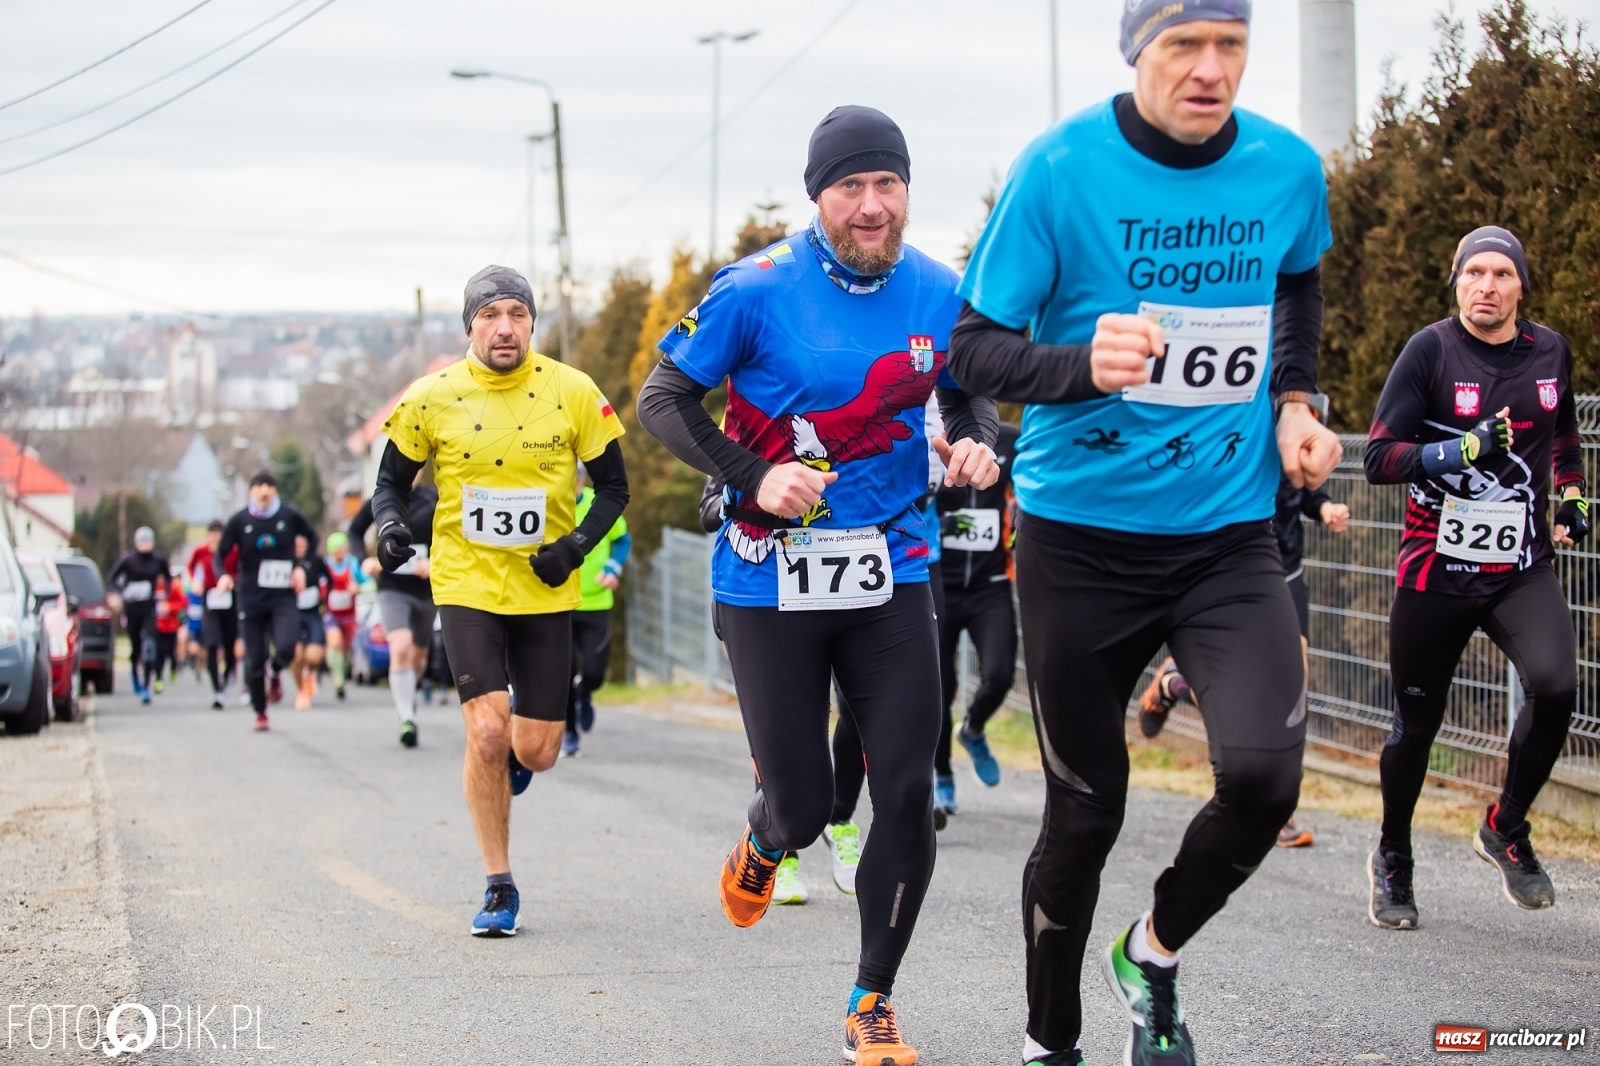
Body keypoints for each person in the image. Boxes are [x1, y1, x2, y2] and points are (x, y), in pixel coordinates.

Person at [947, 4, 1343, 1062]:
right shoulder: (1059, 171)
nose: (1210, 71)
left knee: (1262, 779)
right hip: (1080, 542)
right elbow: (974, 352)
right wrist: (1083, 366)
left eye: (1231, 47)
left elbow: (1297, 281)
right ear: (1136, 51)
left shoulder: (1287, 168)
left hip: (1225, 536)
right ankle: (1050, 1039)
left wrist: (1296, 401)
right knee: (1085, 810)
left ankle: (1152, 955)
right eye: (1183, 47)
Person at [639, 105, 999, 1066]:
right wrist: (752, 476)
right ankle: (765, 839)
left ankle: (872, 998)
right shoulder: (755, 289)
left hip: (893, 573)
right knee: (802, 809)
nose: (873, 207)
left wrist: (975, 442)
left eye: (889, 185)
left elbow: (967, 392)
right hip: (768, 579)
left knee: (907, 794)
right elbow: (660, 398)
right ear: (819, 197)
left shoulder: (938, 287)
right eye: (852, 187)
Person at [372, 264, 627, 937]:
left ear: (533, 323)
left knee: (536, 750)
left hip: (545, 588)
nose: (505, 327)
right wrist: (393, 527)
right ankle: (498, 886)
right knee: (486, 731)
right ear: (470, 325)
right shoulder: (432, 396)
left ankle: (516, 760)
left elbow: (614, 492)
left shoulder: (572, 392)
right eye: (490, 315)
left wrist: (573, 549)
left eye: (516, 313)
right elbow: (389, 486)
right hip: (466, 585)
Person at [1362, 225, 1586, 929]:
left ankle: (1505, 827)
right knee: (1414, 728)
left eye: (1500, 274)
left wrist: (1574, 497)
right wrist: (1460, 448)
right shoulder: (1430, 351)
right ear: (1455, 280)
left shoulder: (1550, 351)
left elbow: (1566, 433)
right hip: (1436, 570)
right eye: (1473, 274)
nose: (1485, 287)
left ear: (1522, 285)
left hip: (1519, 569)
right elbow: (1378, 457)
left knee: (1555, 688)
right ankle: (1393, 857)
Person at [1139, 473, 1353, 847]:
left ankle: (1278, 807)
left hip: (1284, 571)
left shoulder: (1289, 415)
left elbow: (1305, 484)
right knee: (1231, 692)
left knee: (1294, 687)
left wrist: (1325, 506)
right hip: (1225, 572)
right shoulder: (1221, 420)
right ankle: (1175, 684)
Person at [935, 420, 1020, 803]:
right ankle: (942, 777)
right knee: (940, 690)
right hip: (939, 584)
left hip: (991, 586)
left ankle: (973, 728)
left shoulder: (1011, 439)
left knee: (1000, 674)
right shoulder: (928, 434)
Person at [216, 470, 319, 732]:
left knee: (287, 647)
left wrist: (302, 568)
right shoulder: (239, 521)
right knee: (254, 659)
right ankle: (260, 713)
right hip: (250, 598)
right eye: (259, 486)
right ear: (251, 491)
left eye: (269, 486)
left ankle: (275, 670)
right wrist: (224, 577)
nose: (264, 491)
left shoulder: (289, 515)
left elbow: (313, 538)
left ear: (275, 490)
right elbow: (221, 555)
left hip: (283, 596)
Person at [350, 474, 437, 746]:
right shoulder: (382, 498)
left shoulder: (434, 499)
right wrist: (365, 560)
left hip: (427, 590)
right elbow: (354, 531)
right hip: (392, 587)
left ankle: (407, 693)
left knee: (418, 659)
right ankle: (406, 717)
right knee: (400, 648)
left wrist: (436, 562)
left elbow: (456, 536)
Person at [561, 466, 630, 758]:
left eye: (575, 478)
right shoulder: (549, 506)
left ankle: (586, 692)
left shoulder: (596, 503)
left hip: (596, 601)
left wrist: (613, 567)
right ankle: (569, 733)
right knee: (563, 673)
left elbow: (621, 539)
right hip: (559, 603)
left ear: (580, 479)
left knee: (594, 672)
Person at [107, 525, 169, 705]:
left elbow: (168, 578)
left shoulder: (158, 560)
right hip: (132, 608)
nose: (145, 545)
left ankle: (146, 685)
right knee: (136, 646)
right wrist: (121, 592)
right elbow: (112, 578)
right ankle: (134, 671)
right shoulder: (128, 559)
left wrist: (163, 593)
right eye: (142, 542)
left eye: (148, 541)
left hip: (149, 608)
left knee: (150, 645)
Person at [188, 520, 238, 710]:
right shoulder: (200, 552)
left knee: (229, 645)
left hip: (230, 600)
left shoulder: (232, 552)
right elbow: (192, 569)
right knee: (211, 643)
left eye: (219, 535)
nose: (216, 538)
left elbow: (240, 570)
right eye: (213, 534)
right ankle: (217, 689)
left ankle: (227, 678)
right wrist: (196, 582)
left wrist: (233, 581)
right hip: (210, 600)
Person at [321, 532, 362, 701]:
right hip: (331, 614)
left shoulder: (352, 563)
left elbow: (366, 581)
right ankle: (337, 679)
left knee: (345, 649)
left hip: (349, 614)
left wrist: (357, 587)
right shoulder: (325, 565)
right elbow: (318, 583)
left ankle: (342, 678)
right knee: (334, 643)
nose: (340, 552)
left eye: (343, 548)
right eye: (337, 549)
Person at [290, 534, 328, 711]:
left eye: (302, 542)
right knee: (296, 655)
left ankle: (310, 673)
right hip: (292, 614)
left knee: (314, 656)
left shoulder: (316, 560)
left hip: (312, 613)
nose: (299, 546)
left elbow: (330, 580)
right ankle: (301, 691)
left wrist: (325, 600)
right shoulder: (287, 561)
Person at [152, 570, 186, 691]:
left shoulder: (173, 587)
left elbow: (183, 603)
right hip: (157, 626)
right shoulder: (153, 587)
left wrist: (170, 607)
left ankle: (173, 669)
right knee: (159, 653)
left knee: (171, 652)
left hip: (171, 626)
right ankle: (158, 679)